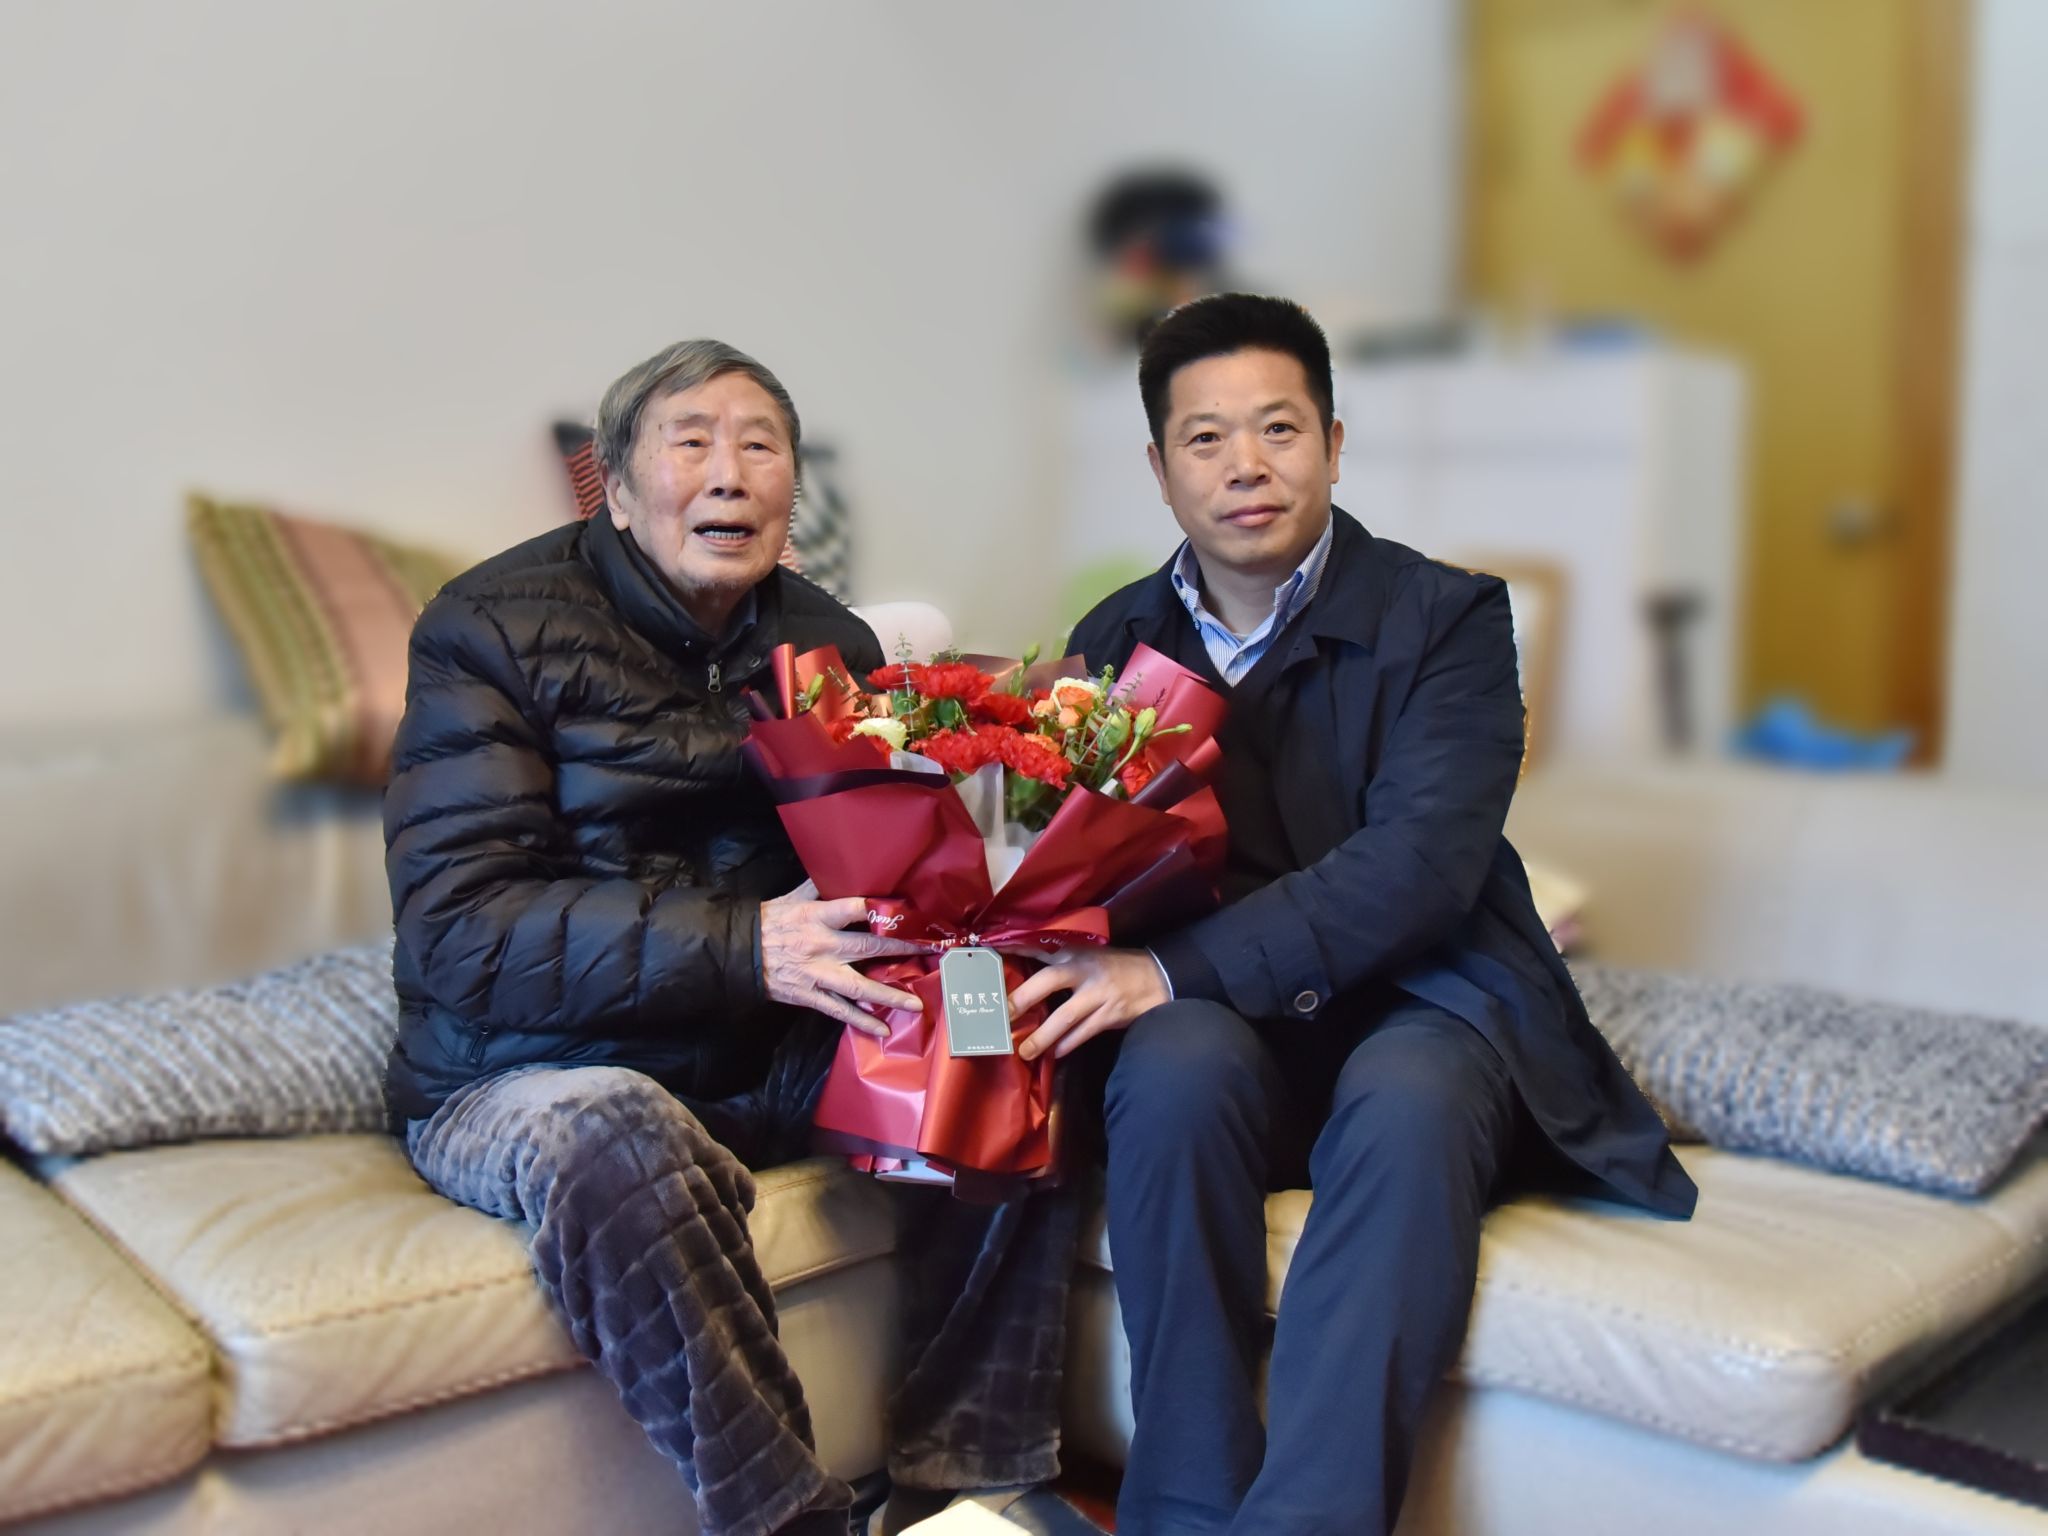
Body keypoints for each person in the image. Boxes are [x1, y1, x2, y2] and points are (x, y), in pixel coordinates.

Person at [1009, 294, 1698, 1535]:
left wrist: (1162, 972)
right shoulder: (1113, 640)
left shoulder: (1448, 619)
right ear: (1159, 470)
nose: (1245, 465)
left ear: (1331, 442)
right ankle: (1183, 1509)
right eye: (1206, 439)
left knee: (1409, 1095)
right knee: (1168, 1069)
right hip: (1232, 1027)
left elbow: (1420, 868)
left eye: (1277, 428)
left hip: (1427, 1000)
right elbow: (1089, 863)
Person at [385, 340, 1081, 1536]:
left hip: (764, 1046)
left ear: (790, 488)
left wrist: (965, 924)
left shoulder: (827, 641)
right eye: (692, 442)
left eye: (760, 445)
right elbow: (460, 927)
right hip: (528, 1064)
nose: (730, 473)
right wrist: (745, 948)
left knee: (1007, 1038)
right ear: (615, 482)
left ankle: (968, 1479)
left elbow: (866, 860)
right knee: (617, 1135)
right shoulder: (486, 628)